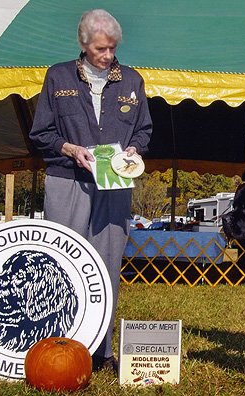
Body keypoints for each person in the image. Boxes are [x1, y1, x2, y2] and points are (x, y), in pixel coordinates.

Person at [29, 9, 152, 371]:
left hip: (114, 185)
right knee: (61, 265)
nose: (108, 56)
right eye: (101, 49)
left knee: (107, 264)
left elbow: (144, 129)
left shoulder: (132, 80)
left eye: (112, 48)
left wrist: (134, 150)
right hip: (67, 180)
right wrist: (70, 149)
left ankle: (103, 351)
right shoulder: (58, 76)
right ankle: (57, 345)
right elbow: (41, 134)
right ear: (84, 45)